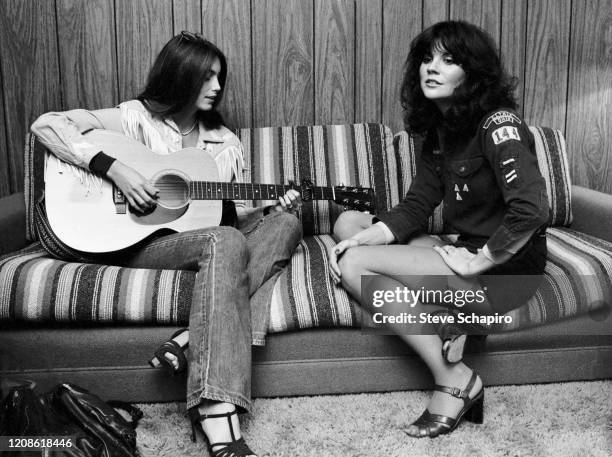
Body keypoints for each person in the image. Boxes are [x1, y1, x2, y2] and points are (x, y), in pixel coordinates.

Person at [31, 31, 303, 457]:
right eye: (206, 77)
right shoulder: (134, 118)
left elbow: (223, 217)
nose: (216, 87)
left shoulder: (225, 143)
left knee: (286, 222)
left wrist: (269, 206)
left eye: (219, 78)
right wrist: (114, 167)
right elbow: (46, 125)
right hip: (139, 243)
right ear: (180, 75)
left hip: (202, 237)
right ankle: (217, 411)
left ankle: (190, 339)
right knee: (224, 241)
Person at [329, 21, 549, 438]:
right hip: (465, 251)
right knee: (348, 224)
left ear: (473, 72)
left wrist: (479, 259)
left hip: (507, 268)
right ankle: (453, 313)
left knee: (354, 265)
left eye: (449, 61)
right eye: (427, 59)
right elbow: (416, 206)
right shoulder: (440, 129)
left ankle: (455, 379)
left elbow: (530, 209)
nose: (432, 68)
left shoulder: (499, 125)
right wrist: (365, 235)